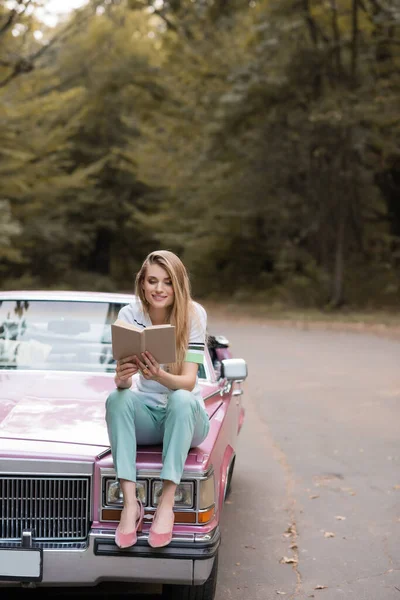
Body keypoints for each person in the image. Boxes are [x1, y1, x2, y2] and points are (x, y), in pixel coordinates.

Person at [105, 250, 210, 549]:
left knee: (179, 398)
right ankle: (130, 504)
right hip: (149, 416)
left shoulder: (193, 314)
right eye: (152, 281)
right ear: (142, 283)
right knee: (117, 398)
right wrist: (122, 378)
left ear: (177, 285)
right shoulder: (130, 315)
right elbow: (125, 385)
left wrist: (159, 376)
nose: (159, 289)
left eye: (167, 282)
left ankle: (166, 504)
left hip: (187, 418)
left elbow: (189, 382)